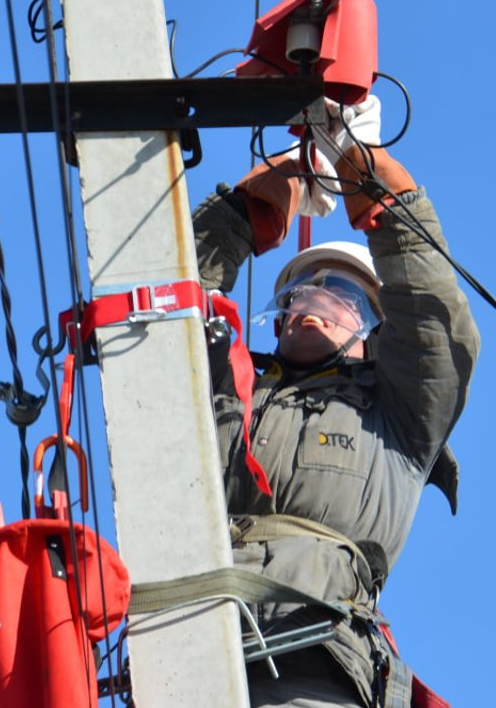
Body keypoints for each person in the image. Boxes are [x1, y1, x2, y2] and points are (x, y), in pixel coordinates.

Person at [191, 97, 480, 708]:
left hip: (313, 659)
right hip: (184, 649)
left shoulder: (397, 414)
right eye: (306, 287)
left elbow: (434, 320)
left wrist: (361, 168)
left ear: (374, 332)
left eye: (345, 293)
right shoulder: (225, 389)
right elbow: (164, 301)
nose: (319, 298)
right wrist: (261, 199)